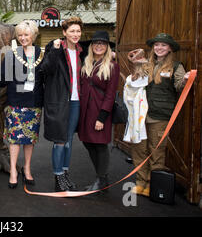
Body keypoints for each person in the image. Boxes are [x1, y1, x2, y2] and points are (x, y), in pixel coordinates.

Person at [130, 33, 190, 197]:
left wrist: (185, 79)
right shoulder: (146, 64)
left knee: (156, 151)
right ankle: (140, 182)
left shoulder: (176, 66)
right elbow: (135, 82)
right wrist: (136, 66)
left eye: (163, 45)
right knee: (139, 149)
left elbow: (179, 86)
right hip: (141, 115)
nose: (159, 48)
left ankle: (152, 184)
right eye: (157, 45)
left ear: (170, 48)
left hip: (161, 116)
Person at [0, 20, 44, 189]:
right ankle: (13, 170)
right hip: (16, 103)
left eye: (26, 35)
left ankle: (27, 168)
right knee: (14, 139)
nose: (23, 38)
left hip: (34, 103)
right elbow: (4, 78)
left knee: (29, 140)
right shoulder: (13, 54)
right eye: (20, 35)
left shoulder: (42, 53)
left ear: (33, 35)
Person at [41, 17, 83, 192]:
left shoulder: (82, 51)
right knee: (60, 141)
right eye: (72, 31)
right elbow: (46, 70)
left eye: (78, 31)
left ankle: (65, 174)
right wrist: (55, 51)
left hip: (75, 101)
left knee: (69, 141)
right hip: (59, 102)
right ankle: (58, 177)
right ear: (64, 32)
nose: (75, 34)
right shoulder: (56, 48)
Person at [77, 31, 120, 191]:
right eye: (96, 43)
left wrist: (102, 118)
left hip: (100, 111)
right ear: (91, 46)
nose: (99, 46)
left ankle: (101, 179)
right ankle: (103, 178)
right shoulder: (86, 63)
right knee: (88, 142)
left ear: (107, 47)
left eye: (103, 43)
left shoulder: (112, 66)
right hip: (85, 111)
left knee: (100, 145)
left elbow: (110, 95)